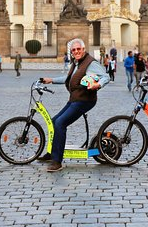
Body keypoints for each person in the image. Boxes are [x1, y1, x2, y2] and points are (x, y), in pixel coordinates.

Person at [40, 38, 109, 172]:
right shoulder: (76, 63)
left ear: (83, 49)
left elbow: (105, 76)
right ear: (71, 52)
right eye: (74, 50)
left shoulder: (90, 63)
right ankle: (52, 152)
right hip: (75, 99)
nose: (76, 51)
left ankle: (57, 161)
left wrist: (97, 84)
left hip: (85, 100)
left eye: (78, 49)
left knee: (60, 123)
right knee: (54, 121)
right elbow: (69, 79)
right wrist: (51, 80)